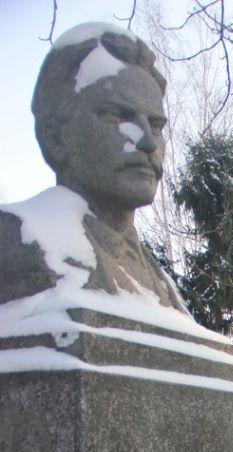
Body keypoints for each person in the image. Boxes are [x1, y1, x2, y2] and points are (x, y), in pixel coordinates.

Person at [0, 23, 190, 317]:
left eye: (156, 124)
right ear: (56, 137)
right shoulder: (19, 239)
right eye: (117, 115)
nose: (148, 142)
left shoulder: (161, 285)